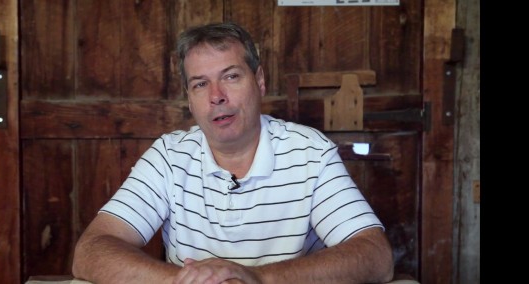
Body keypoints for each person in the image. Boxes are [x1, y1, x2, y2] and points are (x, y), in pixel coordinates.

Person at [72, 22, 394, 284]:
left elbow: (375, 256)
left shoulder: (311, 153)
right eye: (200, 84)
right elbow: (91, 251)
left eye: (231, 76)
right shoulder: (169, 156)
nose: (216, 96)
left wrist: (255, 278)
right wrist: (194, 281)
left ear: (260, 81)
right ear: (189, 99)